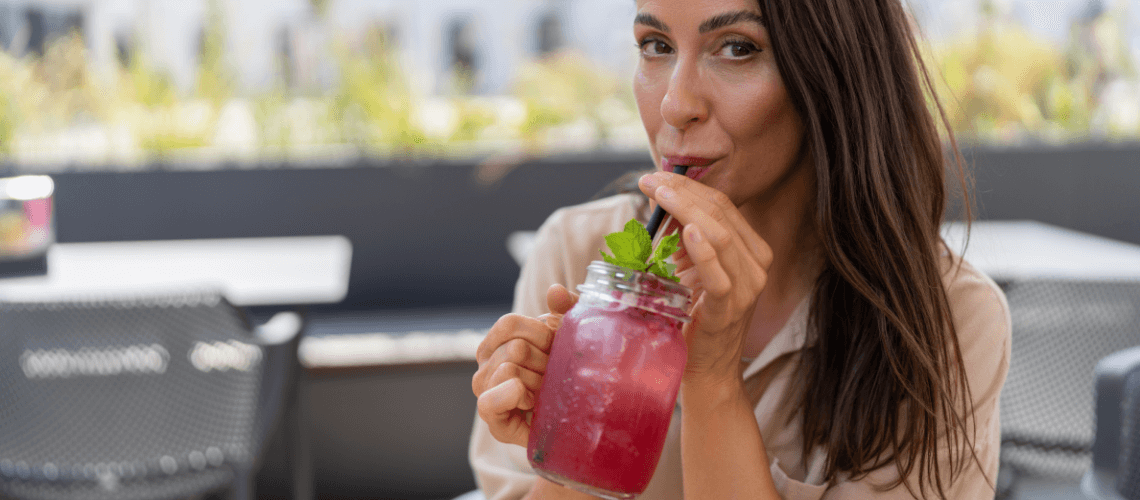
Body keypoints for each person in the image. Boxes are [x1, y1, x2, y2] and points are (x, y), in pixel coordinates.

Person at [469, 0, 1011, 498]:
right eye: (656, 46)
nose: (675, 104)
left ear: (836, 72)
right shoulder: (579, 257)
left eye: (737, 47)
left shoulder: (950, 321)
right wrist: (571, 442)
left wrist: (713, 382)